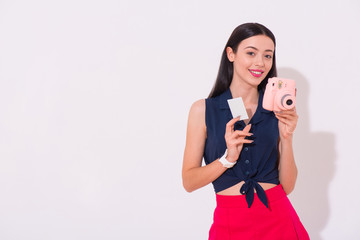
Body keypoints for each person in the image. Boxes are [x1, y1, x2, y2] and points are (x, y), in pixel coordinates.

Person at [182, 23, 310, 240]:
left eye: (268, 56)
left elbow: (287, 187)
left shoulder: (276, 110)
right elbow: (189, 182)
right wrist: (227, 159)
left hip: (279, 221)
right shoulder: (203, 110)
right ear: (230, 54)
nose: (260, 62)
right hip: (230, 225)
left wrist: (287, 139)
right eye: (251, 53)